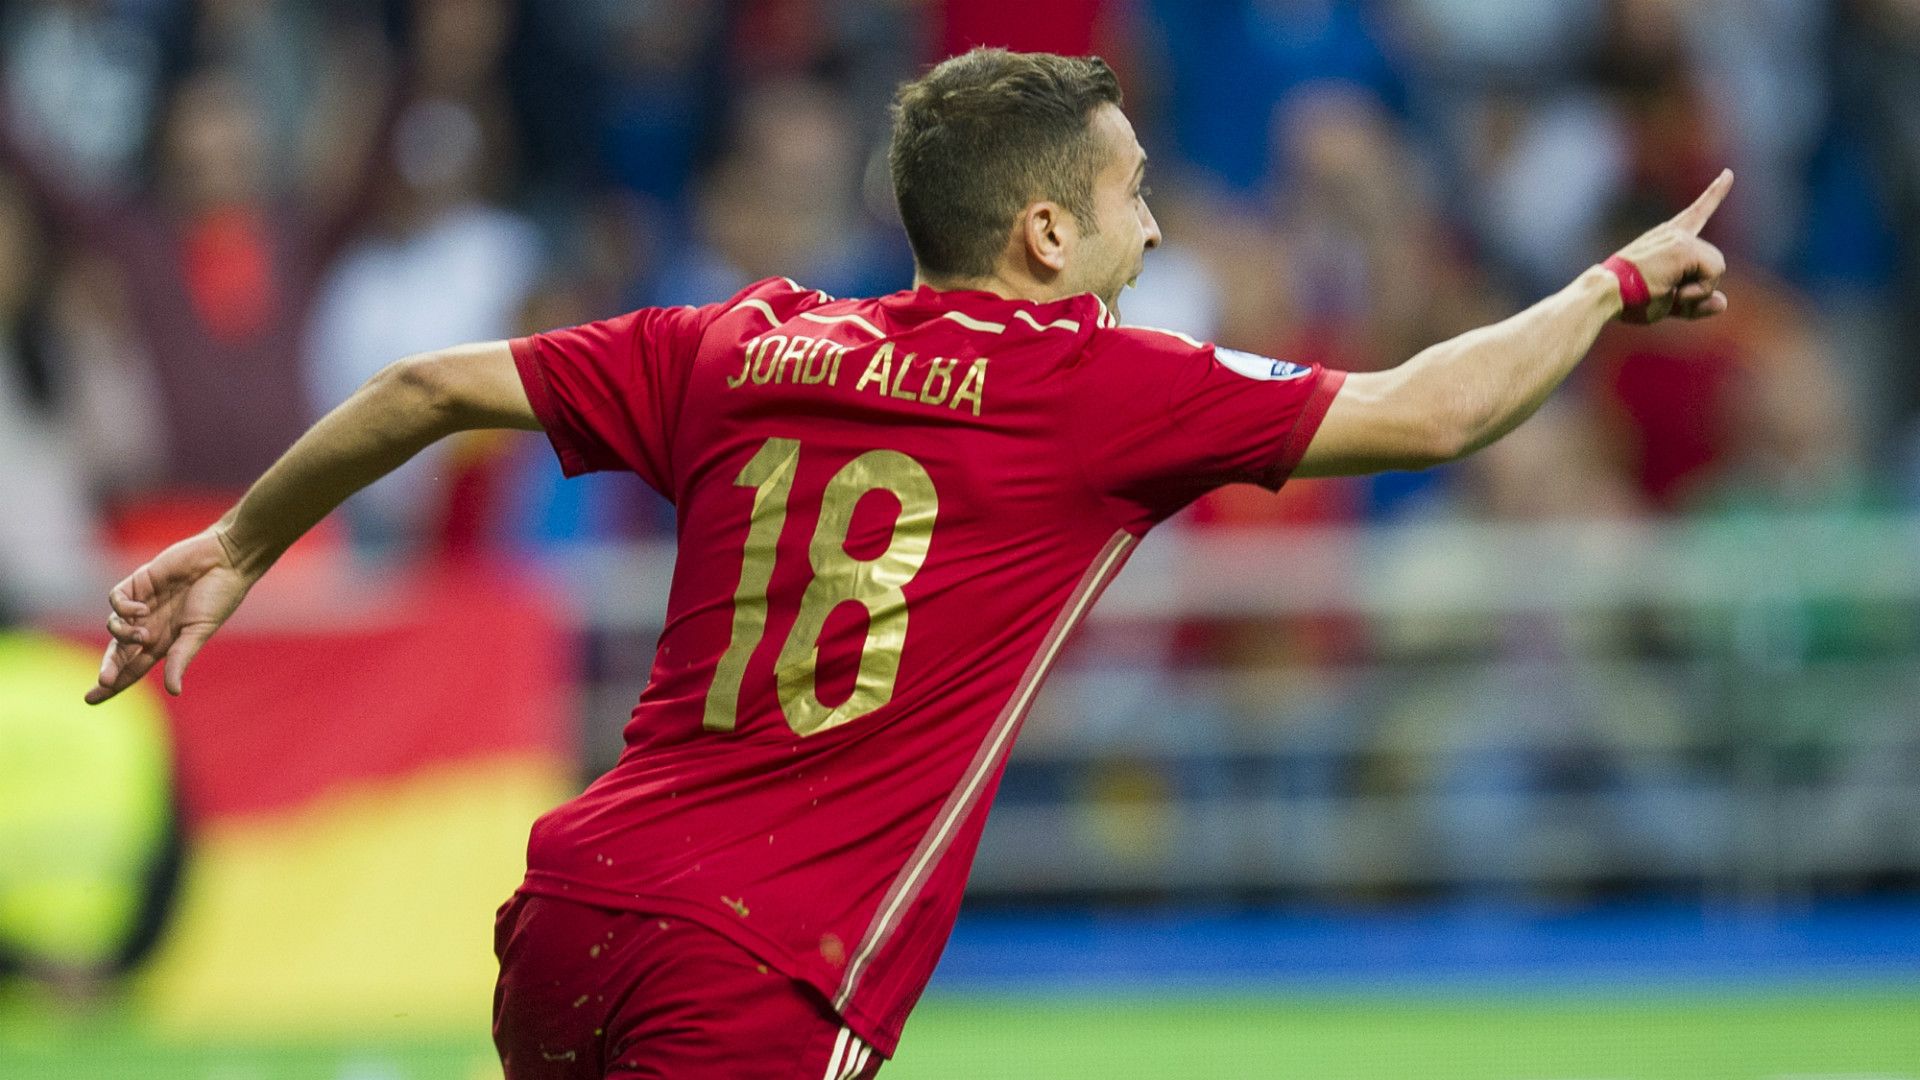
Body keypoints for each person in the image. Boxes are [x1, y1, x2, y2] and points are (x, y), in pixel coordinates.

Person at [83, 48, 1731, 1080]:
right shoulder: (1098, 385)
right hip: (758, 964)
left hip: (573, 905)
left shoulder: (745, 339)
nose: (1154, 235)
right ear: (1046, 236)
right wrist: (1606, 285)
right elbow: (1430, 415)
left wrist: (238, 543)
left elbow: (423, 387)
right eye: (1134, 199)